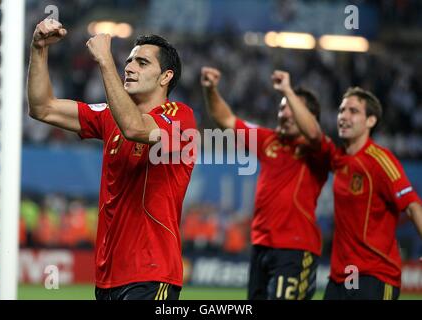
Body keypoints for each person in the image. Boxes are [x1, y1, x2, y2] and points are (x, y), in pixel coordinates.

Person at [27, 18, 197, 300]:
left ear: (165, 77)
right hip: (107, 278)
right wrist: (38, 49)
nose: (129, 67)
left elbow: (135, 128)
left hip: (151, 274)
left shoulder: (181, 118)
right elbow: (42, 108)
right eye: (128, 61)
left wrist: (106, 61)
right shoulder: (109, 115)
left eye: (142, 63)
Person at [201, 67, 331, 300]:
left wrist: (287, 91)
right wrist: (211, 89)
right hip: (261, 246)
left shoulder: (318, 150)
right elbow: (226, 119)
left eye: (292, 109)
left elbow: (313, 133)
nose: (284, 114)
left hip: (295, 249)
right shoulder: (268, 140)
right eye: (282, 108)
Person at [297, 86, 422, 299]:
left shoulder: (380, 161)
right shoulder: (339, 160)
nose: (344, 116)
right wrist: (289, 94)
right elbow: (313, 133)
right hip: (341, 276)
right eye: (341, 110)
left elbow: (412, 205)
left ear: (371, 121)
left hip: (374, 275)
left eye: (353, 111)